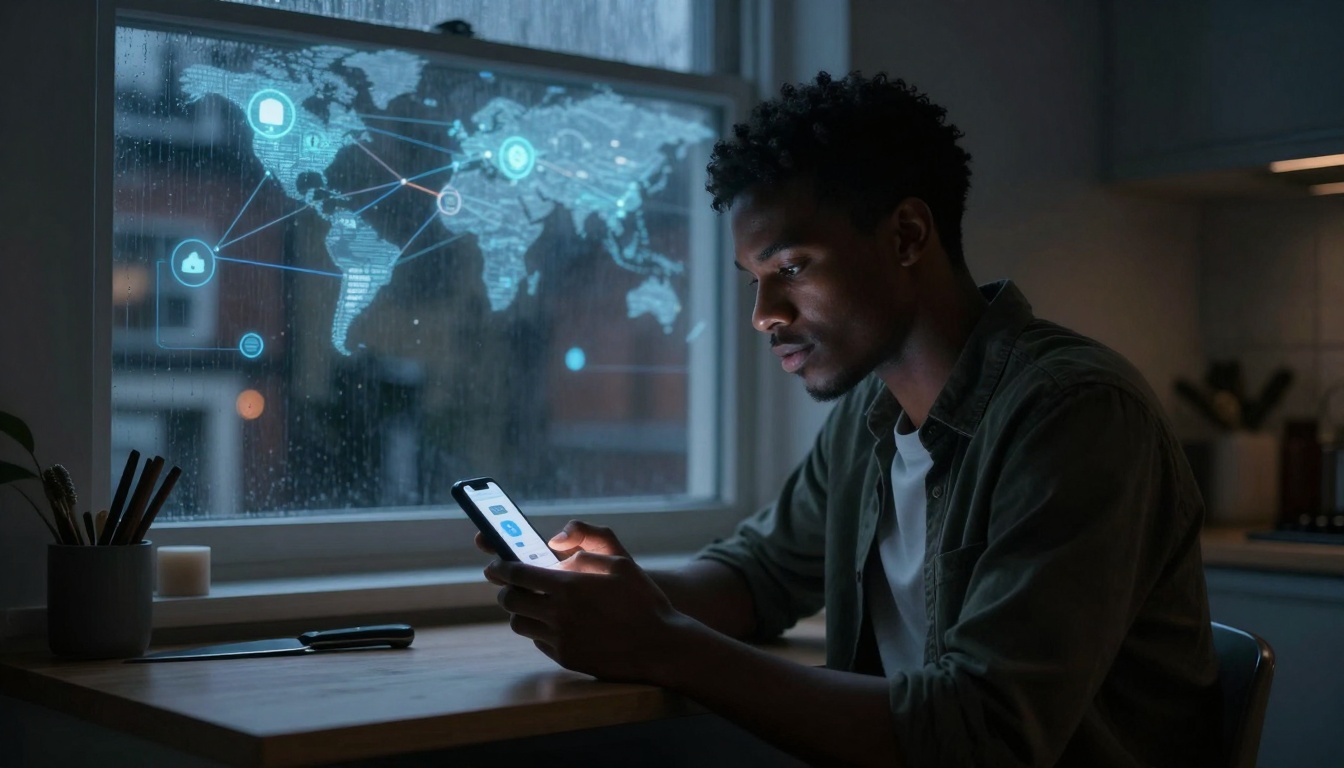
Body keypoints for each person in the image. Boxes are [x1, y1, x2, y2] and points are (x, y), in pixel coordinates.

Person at [480, 71, 1222, 767]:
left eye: (791, 269)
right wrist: (617, 594)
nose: (764, 315)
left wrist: (664, 644)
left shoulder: (1075, 416)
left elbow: (986, 733)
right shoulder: (872, 415)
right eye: (755, 280)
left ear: (906, 236)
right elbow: (761, 576)